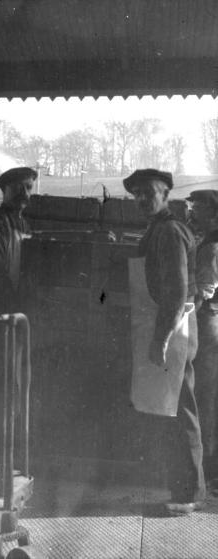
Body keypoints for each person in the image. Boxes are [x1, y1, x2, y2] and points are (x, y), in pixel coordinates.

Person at [123, 168, 206, 515]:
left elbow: (175, 292)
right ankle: (183, 488)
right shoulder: (157, 228)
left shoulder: (169, 231)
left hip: (172, 332)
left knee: (179, 410)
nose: (143, 199)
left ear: (167, 193)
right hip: (165, 329)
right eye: (138, 194)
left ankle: (189, 494)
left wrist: (160, 340)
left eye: (150, 192)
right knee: (169, 409)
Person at [187, 189, 218, 493]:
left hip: (208, 323)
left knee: (205, 397)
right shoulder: (207, 241)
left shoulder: (211, 246)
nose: (193, 213)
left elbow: (203, 291)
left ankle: (208, 471)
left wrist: (180, 319)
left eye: (199, 209)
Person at [0, 166, 37, 314]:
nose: (24, 193)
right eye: (17, 188)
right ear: (5, 190)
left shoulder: (25, 225)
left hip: (17, 303)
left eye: (28, 188)